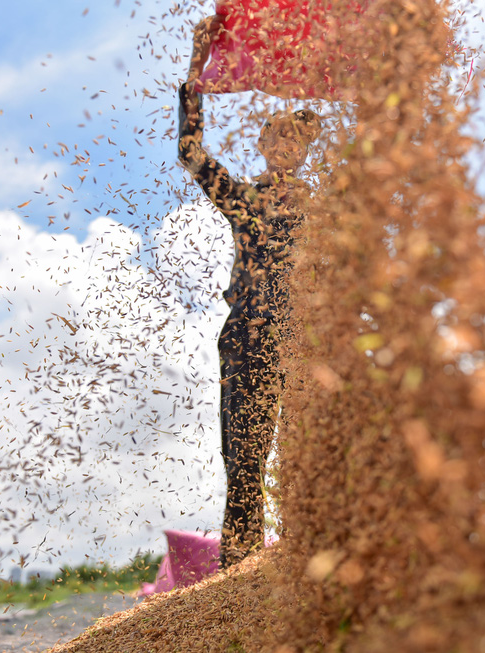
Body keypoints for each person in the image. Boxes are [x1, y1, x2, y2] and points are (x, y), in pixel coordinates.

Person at [178, 17, 322, 568]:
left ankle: (309, 568)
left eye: (297, 135)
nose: (286, 143)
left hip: (307, 342)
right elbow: (190, 150)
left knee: (309, 460)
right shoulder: (242, 199)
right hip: (249, 336)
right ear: (261, 143)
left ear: (308, 148)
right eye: (276, 134)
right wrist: (198, 62)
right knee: (244, 462)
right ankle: (238, 577)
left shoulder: (328, 209)